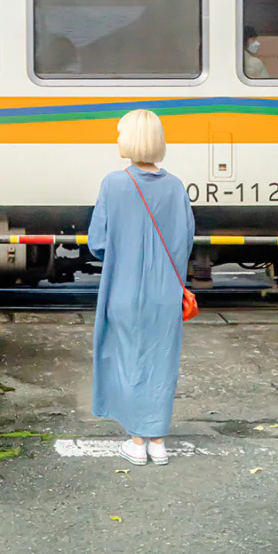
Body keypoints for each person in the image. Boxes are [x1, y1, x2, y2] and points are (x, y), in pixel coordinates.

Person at [87, 108, 195, 467]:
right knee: (161, 361)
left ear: (130, 140)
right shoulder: (176, 186)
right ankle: (159, 442)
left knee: (128, 360)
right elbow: (185, 241)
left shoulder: (113, 184)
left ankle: (136, 442)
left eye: (120, 133)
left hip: (122, 290)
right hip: (166, 292)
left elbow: (97, 244)